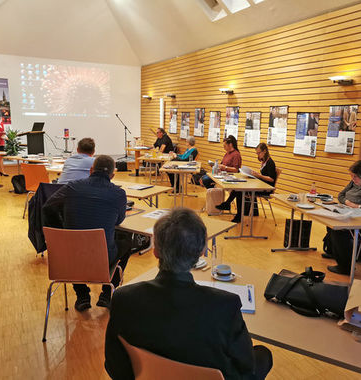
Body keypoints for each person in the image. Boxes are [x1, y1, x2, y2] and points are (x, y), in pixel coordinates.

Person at [104, 208, 273, 380]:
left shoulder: (123, 298)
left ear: (155, 250)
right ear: (201, 252)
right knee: (263, 355)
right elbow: (246, 366)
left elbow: (113, 365)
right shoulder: (226, 305)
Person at [42, 155, 132, 311]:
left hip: (68, 260)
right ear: (113, 175)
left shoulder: (71, 187)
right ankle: (107, 294)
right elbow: (118, 221)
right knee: (127, 242)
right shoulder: (118, 194)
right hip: (102, 259)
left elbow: (47, 207)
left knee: (75, 245)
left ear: (91, 170)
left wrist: (61, 230)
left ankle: (82, 295)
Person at [216, 143, 278, 223]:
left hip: (266, 188)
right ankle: (228, 205)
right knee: (238, 188)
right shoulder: (264, 161)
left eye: (259, 153)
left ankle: (236, 213)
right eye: (257, 153)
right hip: (261, 184)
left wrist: (259, 175)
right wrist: (256, 175)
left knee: (240, 191)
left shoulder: (270, 162)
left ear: (265, 151)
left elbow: (271, 179)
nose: (258, 155)